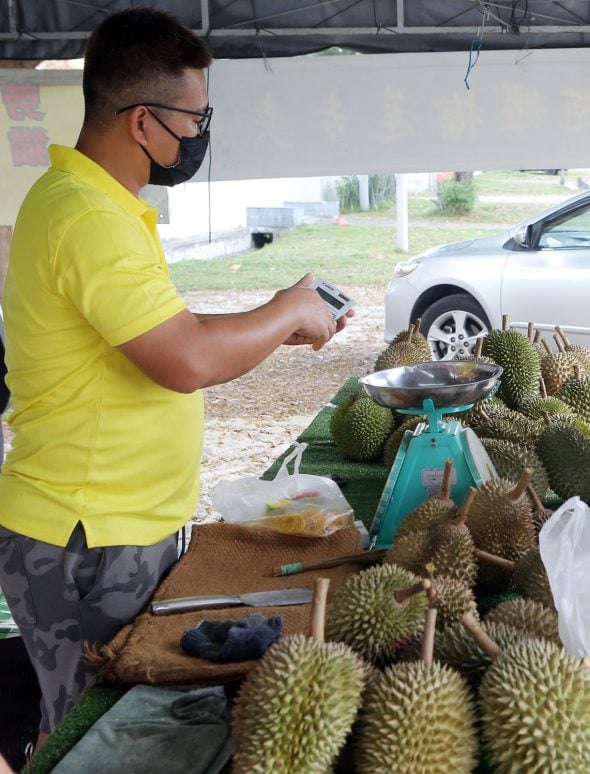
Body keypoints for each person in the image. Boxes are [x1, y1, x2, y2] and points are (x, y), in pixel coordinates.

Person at [0, 8, 351, 744]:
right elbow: (185, 360)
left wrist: (276, 323)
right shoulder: (88, 218)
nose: (199, 135)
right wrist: (285, 308)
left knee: (126, 722)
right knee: (97, 734)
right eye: (194, 118)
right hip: (85, 537)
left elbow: (167, 336)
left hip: (116, 525)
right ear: (141, 122)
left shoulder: (103, 207)